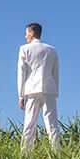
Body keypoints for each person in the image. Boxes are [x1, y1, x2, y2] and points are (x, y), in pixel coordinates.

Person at [17, 22, 60, 150]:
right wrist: (55, 90)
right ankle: (56, 154)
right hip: (49, 90)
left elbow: (21, 73)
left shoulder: (24, 49)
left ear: (31, 33)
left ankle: (25, 155)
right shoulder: (52, 50)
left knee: (29, 125)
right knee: (52, 125)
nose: (25, 37)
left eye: (26, 34)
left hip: (32, 90)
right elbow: (55, 72)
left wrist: (20, 95)